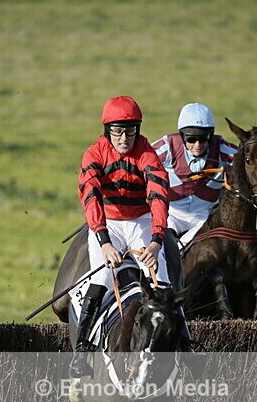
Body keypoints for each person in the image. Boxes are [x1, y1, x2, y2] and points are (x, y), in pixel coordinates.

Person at [71, 95, 172, 379]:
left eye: (130, 130)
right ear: (107, 131)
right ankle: (81, 351)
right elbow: (90, 197)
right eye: (117, 131)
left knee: (160, 279)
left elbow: (159, 195)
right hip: (109, 222)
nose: (124, 138)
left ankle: (186, 345)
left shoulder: (147, 153)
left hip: (140, 219)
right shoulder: (94, 154)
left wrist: (155, 241)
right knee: (101, 278)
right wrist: (104, 242)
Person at [152, 103, 238, 245]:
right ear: (182, 136)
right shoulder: (168, 146)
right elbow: (140, 160)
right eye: (191, 139)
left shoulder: (222, 148)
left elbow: (251, 162)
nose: (198, 145)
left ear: (210, 136)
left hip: (204, 217)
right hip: (172, 214)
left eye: (203, 139)